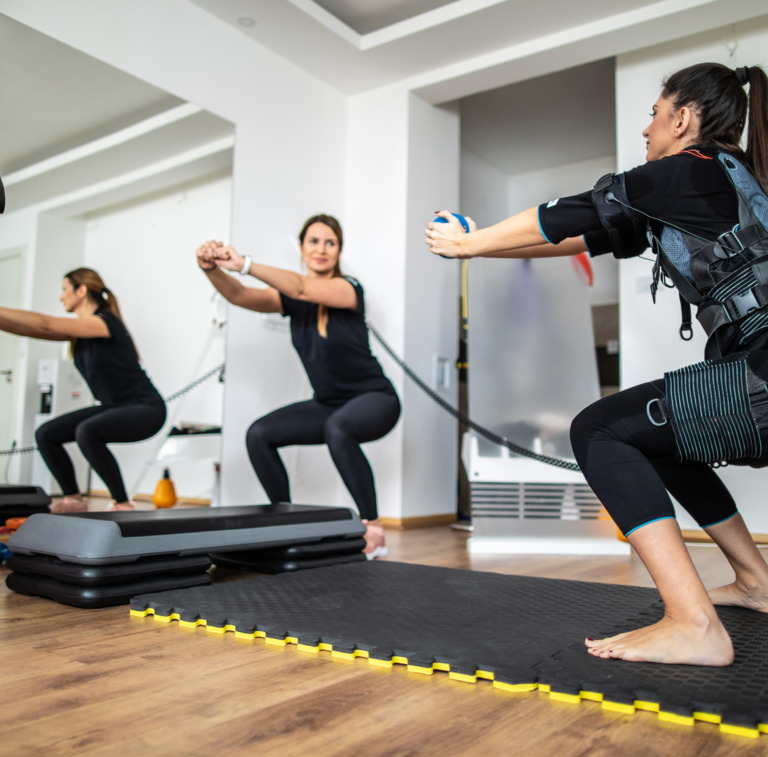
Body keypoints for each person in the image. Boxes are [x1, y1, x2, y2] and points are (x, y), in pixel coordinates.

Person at [426, 62, 768, 667]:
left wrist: (470, 244)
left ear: (682, 118)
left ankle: (694, 625)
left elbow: (569, 212)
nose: (646, 129)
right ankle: (757, 582)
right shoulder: (735, 177)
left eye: (655, 113)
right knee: (665, 442)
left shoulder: (680, 172)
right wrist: (484, 249)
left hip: (763, 378)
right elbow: (581, 236)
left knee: (598, 429)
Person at [196, 214, 400, 558]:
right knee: (259, 434)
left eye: (330, 242)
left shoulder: (349, 288)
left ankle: (373, 527)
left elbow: (301, 287)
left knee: (338, 429)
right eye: (314, 241)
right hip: (328, 402)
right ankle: (286, 522)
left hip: (375, 399)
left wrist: (243, 262)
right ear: (302, 248)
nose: (321, 249)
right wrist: (211, 269)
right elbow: (241, 296)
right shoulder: (290, 298)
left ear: (339, 250)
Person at [0, 268, 166, 513]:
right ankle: (74, 500)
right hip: (114, 406)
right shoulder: (80, 334)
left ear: (82, 290)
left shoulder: (104, 322)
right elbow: (32, 330)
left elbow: (46, 325)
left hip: (146, 408)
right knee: (46, 434)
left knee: (86, 431)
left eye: (64, 289)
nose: (61, 297)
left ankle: (122, 504)